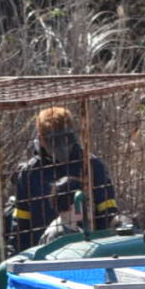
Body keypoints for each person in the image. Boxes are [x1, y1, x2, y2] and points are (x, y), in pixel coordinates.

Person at [8, 107, 119, 252]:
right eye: (55, 141)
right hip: (43, 255)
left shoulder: (91, 165)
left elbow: (108, 215)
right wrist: (16, 258)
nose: (62, 147)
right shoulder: (29, 173)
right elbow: (20, 227)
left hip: (87, 252)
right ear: (41, 139)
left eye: (66, 139)